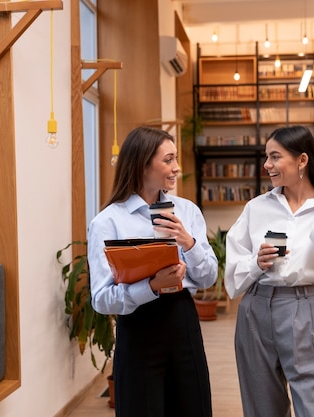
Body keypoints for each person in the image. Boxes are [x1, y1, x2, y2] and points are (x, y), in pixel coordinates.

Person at [225, 125, 314, 417]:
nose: (267, 165)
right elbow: (232, 272)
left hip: (306, 308)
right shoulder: (257, 207)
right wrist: (256, 262)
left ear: (302, 160)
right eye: (267, 157)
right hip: (256, 307)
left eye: (275, 157)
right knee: (262, 405)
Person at [87, 126, 217, 417]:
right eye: (168, 160)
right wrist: (152, 286)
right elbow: (101, 299)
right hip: (139, 329)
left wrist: (188, 242)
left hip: (183, 323)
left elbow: (208, 277)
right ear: (143, 164)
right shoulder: (107, 222)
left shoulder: (187, 212)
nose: (177, 168)